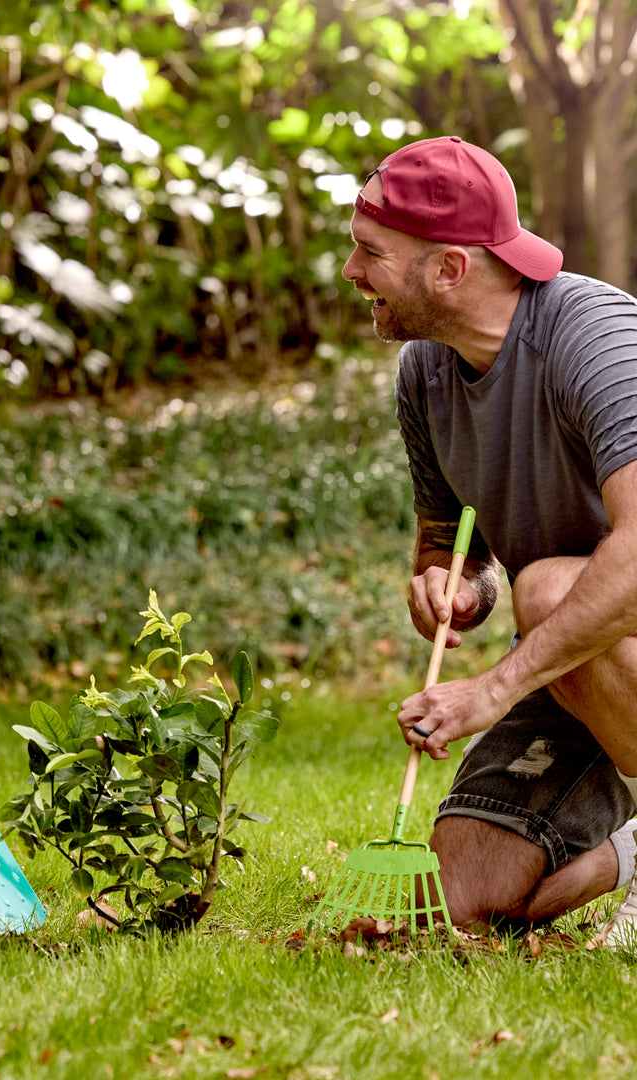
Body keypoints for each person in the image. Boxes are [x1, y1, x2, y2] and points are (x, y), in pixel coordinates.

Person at [341, 135, 637, 944]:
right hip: (579, 662)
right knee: (455, 903)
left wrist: (492, 690)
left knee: (547, 590)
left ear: (449, 270)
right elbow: (447, 540)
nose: (350, 273)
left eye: (370, 253)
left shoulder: (595, 341)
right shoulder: (425, 372)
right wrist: (456, 585)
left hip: (586, 634)